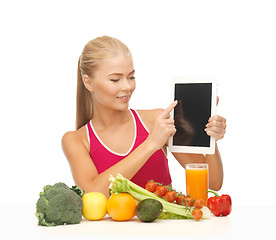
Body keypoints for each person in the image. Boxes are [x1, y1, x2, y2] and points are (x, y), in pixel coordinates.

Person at [62, 36, 226, 198]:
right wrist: (151, 144)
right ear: (88, 82)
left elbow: (212, 183)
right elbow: (94, 194)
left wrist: (211, 138)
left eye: (131, 77)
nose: (127, 86)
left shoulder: (158, 120)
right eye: (115, 79)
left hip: (168, 225)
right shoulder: (76, 140)